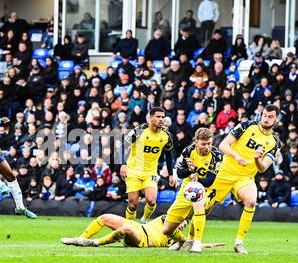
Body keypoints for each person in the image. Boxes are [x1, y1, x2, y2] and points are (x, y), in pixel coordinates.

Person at [193, 104, 281, 254]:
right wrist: (237, 156)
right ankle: (193, 241)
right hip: (224, 172)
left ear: (276, 119)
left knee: (251, 201)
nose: (266, 119)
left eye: (270, 117)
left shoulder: (275, 142)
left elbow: (263, 168)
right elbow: (223, 145)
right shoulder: (246, 126)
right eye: (265, 115)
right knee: (203, 206)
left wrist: (257, 159)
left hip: (245, 177)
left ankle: (239, 243)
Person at [162, 128, 223, 252]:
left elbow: (210, 180)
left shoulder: (217, 156)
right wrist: (190, 170)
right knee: (167, 230)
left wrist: (197, 179)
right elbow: (179, 173)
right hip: (187, 188)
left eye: (210, 143)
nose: (207, 147)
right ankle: (183, 241)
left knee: (198, 203)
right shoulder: (188, 151)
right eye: (204, 144)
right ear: (196, 142)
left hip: (208, 190)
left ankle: (196, 242)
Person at [120, 107, 175, 224]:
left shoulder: (166, 136)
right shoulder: (139, 130)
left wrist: (171, 174)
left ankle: (144, 222)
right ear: (150, 118)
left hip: (150, 172)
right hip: (133, 170)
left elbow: (169, 155)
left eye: (163, 117)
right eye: (158, 117)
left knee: (151, 200)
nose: (161, 119)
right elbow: (124, 145)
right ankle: (129, 227)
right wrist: (123, 164)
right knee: (133, 204)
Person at [60, 213, 223, 249]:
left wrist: (207, 245)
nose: (181, 225)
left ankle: (93, 243)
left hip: (142, 239)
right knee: (104, 218)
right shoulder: (166, 219)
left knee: (126, 229)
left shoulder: (177, 239)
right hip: (138, 225)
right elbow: (171, 218)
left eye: (184, 225)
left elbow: (191, 243)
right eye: (181, 222)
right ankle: (81, 238)